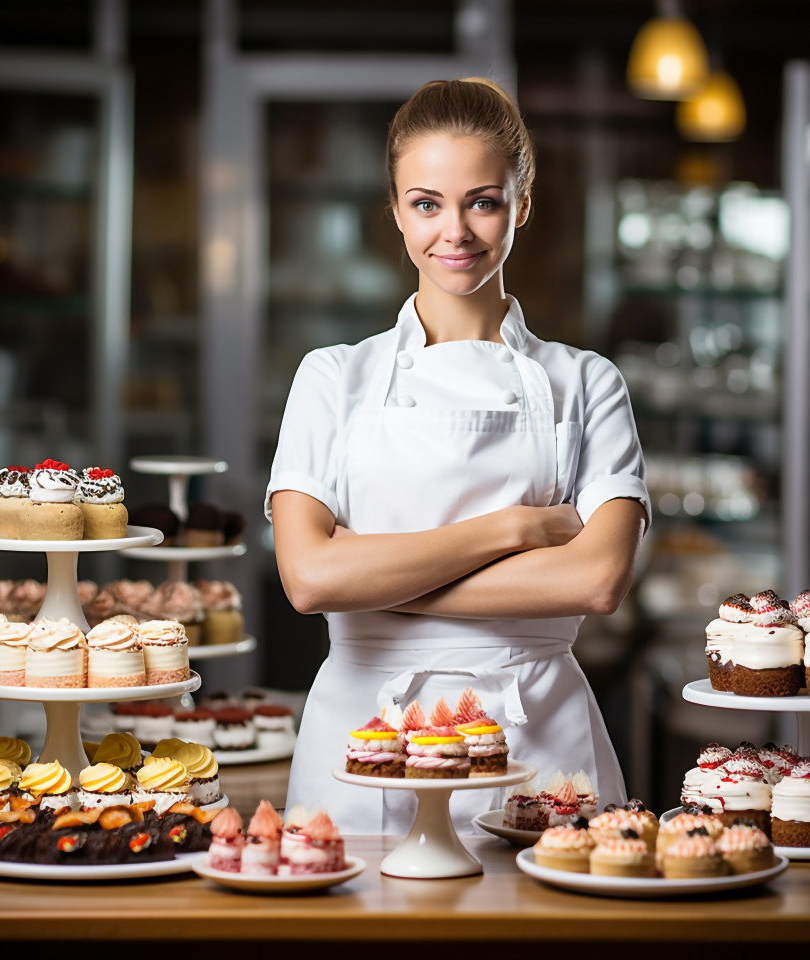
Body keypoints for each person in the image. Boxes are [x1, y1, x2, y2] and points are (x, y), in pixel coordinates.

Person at [265, 78, 650, 834]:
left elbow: (598, 579)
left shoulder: (587, 383)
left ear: (523, 204)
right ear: (397, 210)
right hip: (359, 740)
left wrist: (374, 579)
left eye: (483, 201)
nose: (456, 232)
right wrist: (512, 530)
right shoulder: (332, 378)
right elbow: (309, 579)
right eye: (426, 203)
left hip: (539, 741)